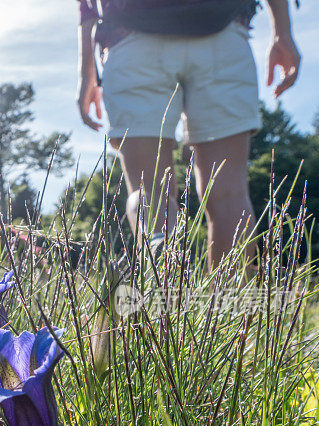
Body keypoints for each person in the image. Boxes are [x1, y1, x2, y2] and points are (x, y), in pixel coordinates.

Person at [76, 0, 301, 267]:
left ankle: (160, 274)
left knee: (148, 189)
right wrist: (282, 32)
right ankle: (230, 304)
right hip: (222, 34)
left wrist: (86, 70)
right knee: (229, 194)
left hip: (131, 41)